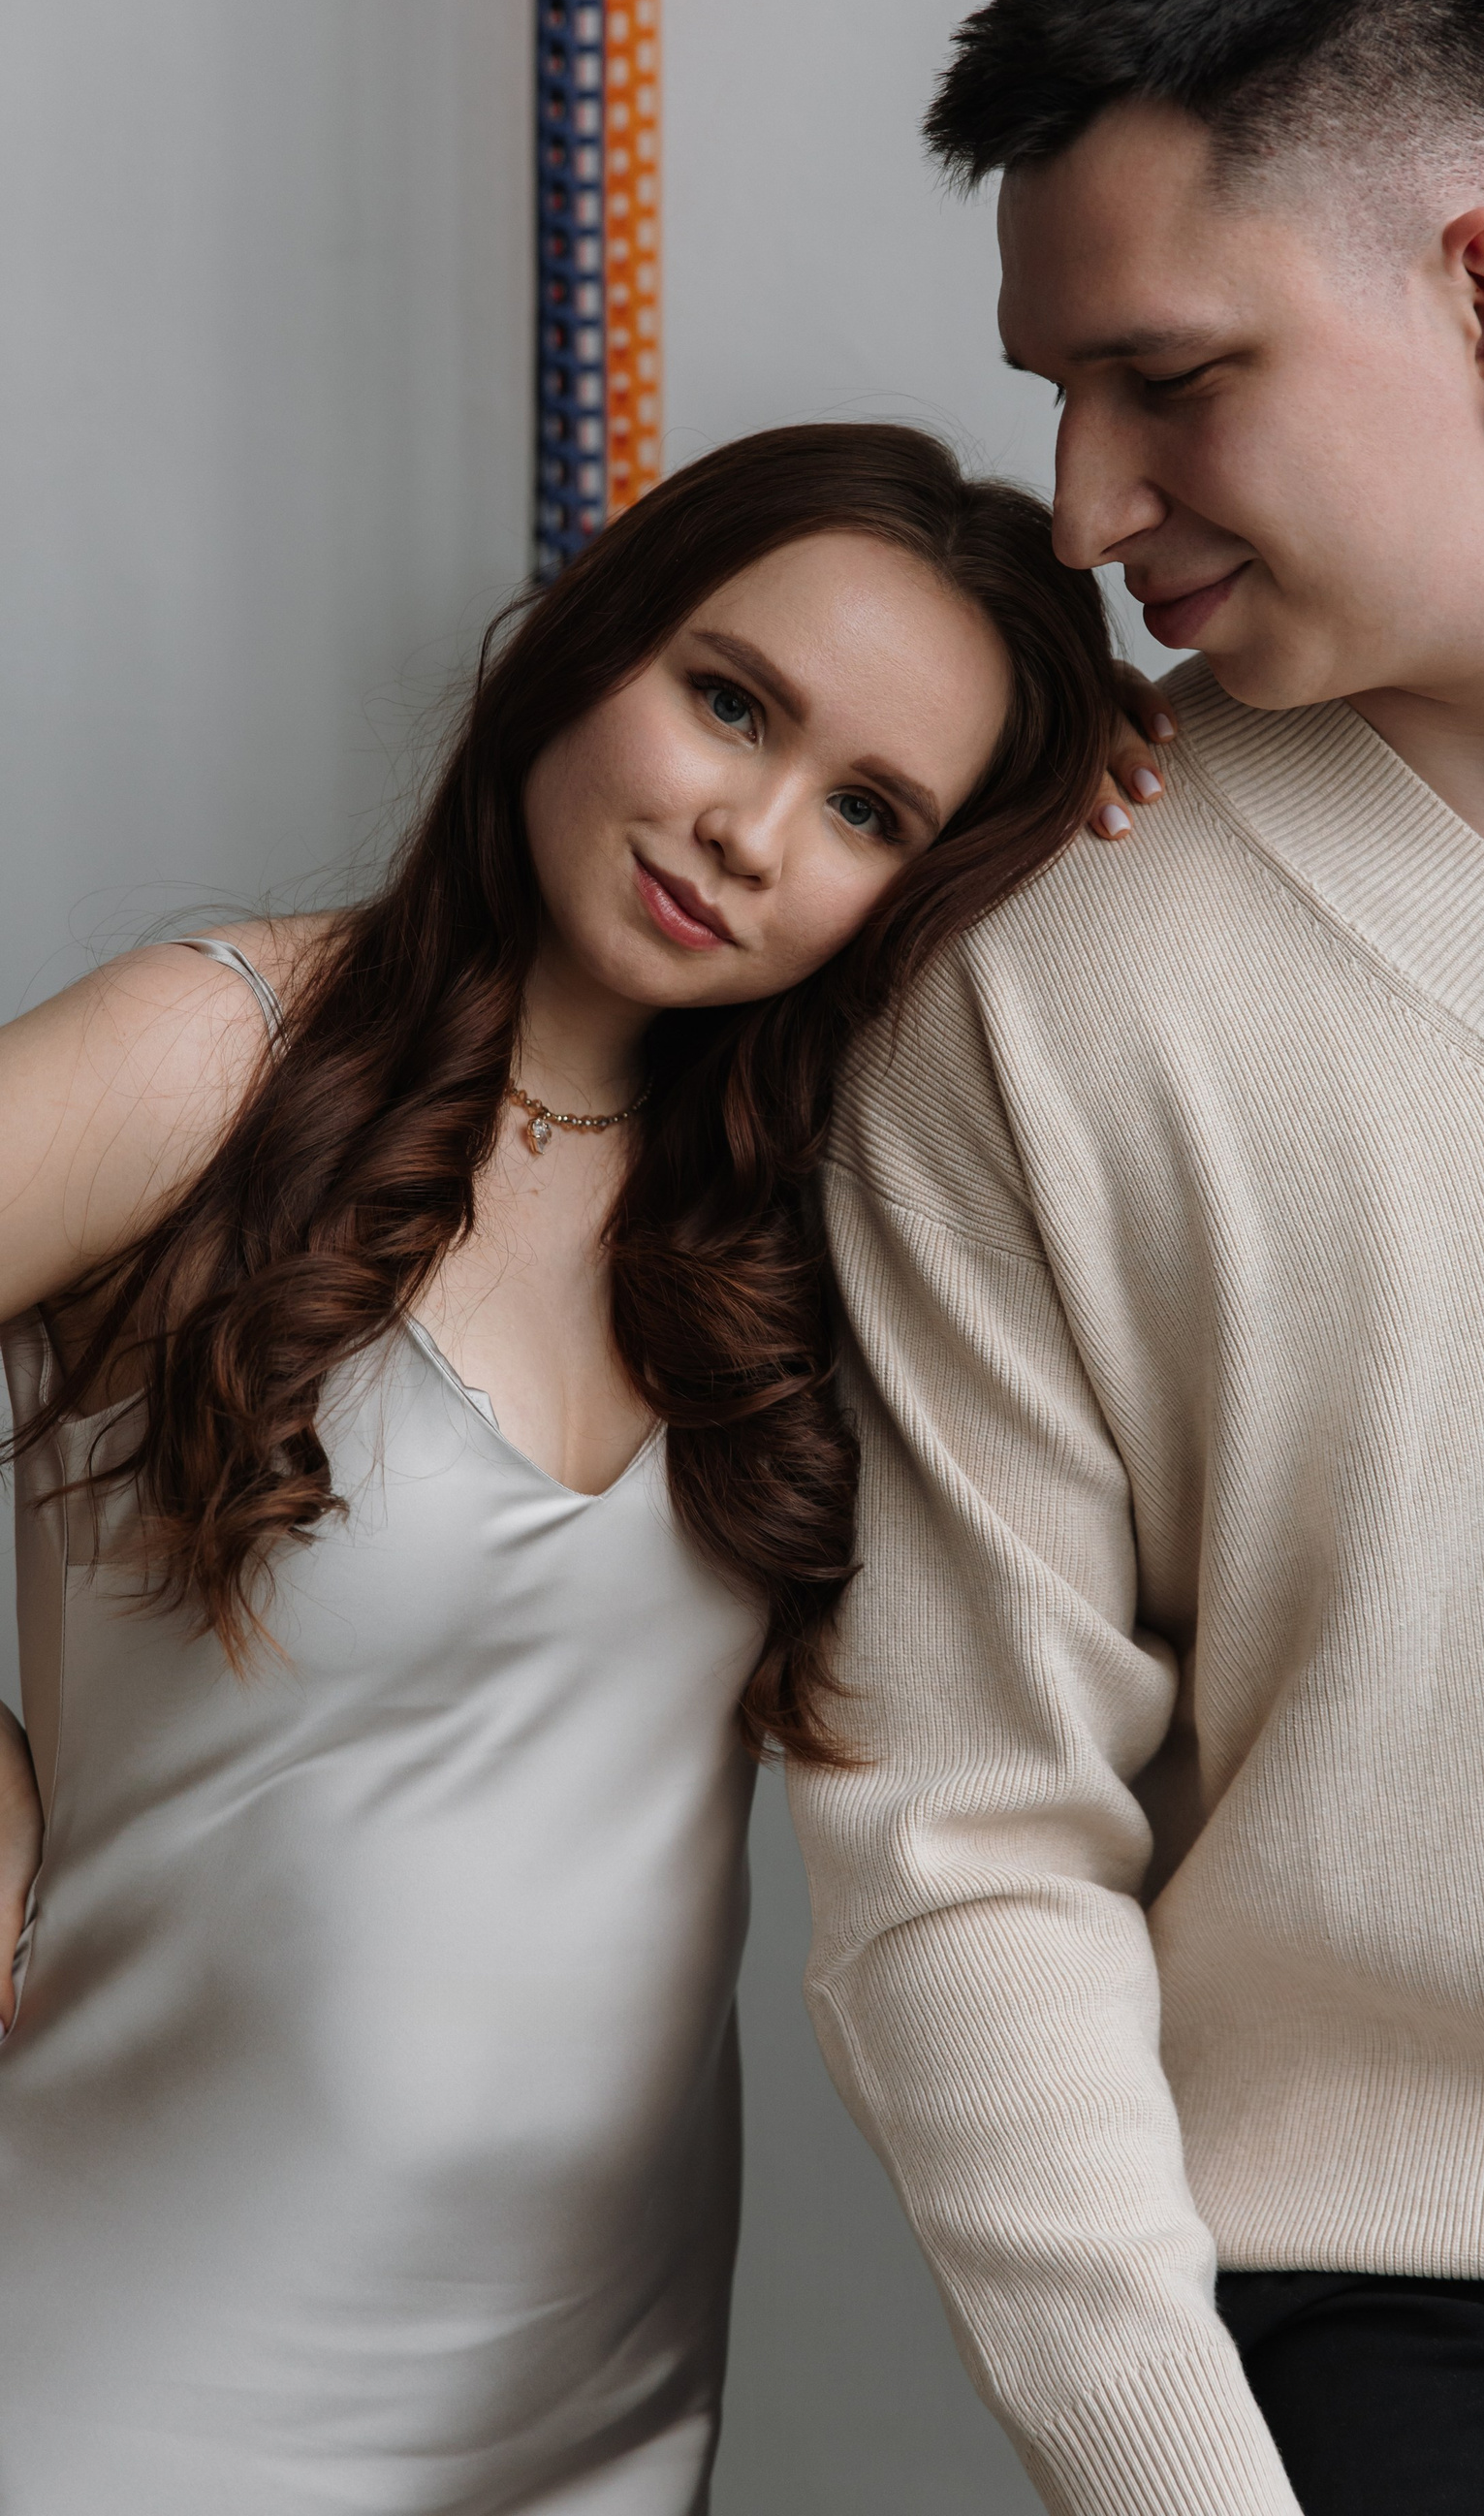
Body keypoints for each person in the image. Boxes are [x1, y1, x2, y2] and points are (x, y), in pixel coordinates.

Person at [787, 0, 1484, 2516]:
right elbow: (963, 1842)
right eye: (1056, 393)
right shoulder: (1024, 985)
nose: (1077, 505)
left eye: (1163, 379)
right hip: (1433, 2353)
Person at [0, 421, 1153, 2515]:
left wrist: (1169, 799)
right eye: (731, 702)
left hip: (585, 2392)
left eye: (869, 811)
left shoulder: (832, 1229)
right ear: (591, 640)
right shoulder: (221, 1058)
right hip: (110, 2329)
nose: (746, 831)